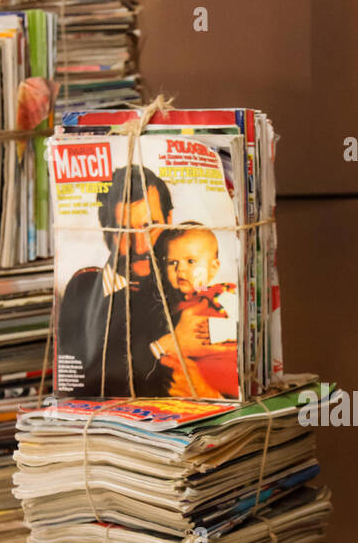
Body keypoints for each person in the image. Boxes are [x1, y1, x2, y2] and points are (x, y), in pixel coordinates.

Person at [56, 165, 176, 397]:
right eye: (123, 230)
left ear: (170, 221)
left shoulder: (181, 287)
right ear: (106, 231)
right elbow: (78, 385)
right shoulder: (83, 289)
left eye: (149, 227)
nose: (140, 246)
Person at [149, 225, 239, 399]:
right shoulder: (170, 306)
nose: (180, 269)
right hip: (185, 378)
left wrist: (218, 329)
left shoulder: (221, 295)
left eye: (191, 261)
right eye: (172, 262)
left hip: (221, 373)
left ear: (214, 268)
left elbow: (245, 323)